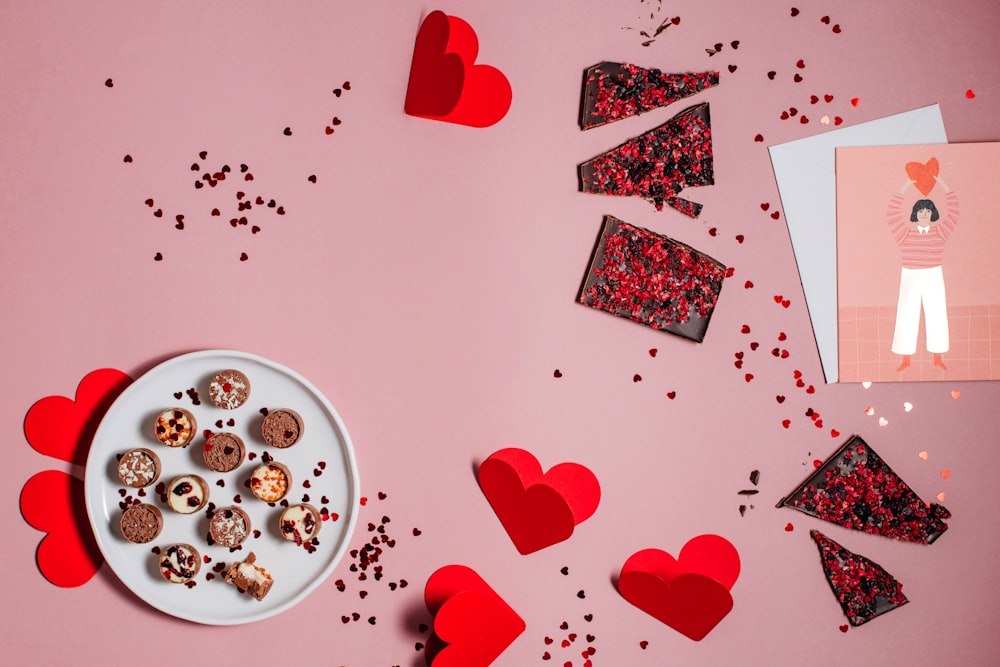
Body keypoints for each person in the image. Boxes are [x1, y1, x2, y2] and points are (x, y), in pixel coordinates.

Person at [886, 174, 959, 371]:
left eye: (928, 210)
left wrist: (941, 183)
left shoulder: (940, 232)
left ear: (933, 213)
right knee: (906, 313)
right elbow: (892, 214)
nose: (924, 214)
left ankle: (937, 356)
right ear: (915, 214)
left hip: (933, 274)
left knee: (936, 312)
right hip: (910, 274)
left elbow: (954, 211)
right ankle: (905, 359)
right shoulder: (905, 234)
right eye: (921, 211)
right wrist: (905, 186)